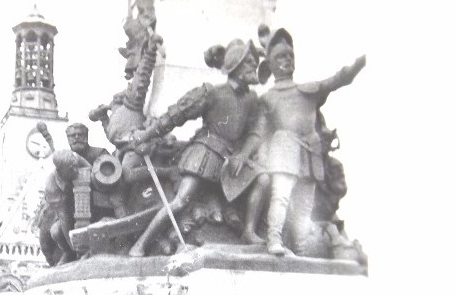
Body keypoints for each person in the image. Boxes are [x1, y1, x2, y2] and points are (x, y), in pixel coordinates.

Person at [126, 38, 269, 256]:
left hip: (231, 160)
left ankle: (249, 231)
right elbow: (175, 116)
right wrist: (145, 135)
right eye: (249, 62)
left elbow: (255, 133)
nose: (254, 67)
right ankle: (141, 244)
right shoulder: (212, 93)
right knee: (181, 201)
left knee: (262, 178)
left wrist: (243, 155)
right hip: (205, 154)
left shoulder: (252, 99)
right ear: (236, 66)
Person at [256, 28, 365, 255]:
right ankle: (273, 240)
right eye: (280, 57)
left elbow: (338, 79)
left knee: (305, 208)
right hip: (284, 148)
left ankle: (301, 249)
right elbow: (260, 131)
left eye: (290, 55)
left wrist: (359, 63)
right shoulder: (268, 98)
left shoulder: (308, 91)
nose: (287, 59)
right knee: (281, 197)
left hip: (309, 152)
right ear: (271, 64)